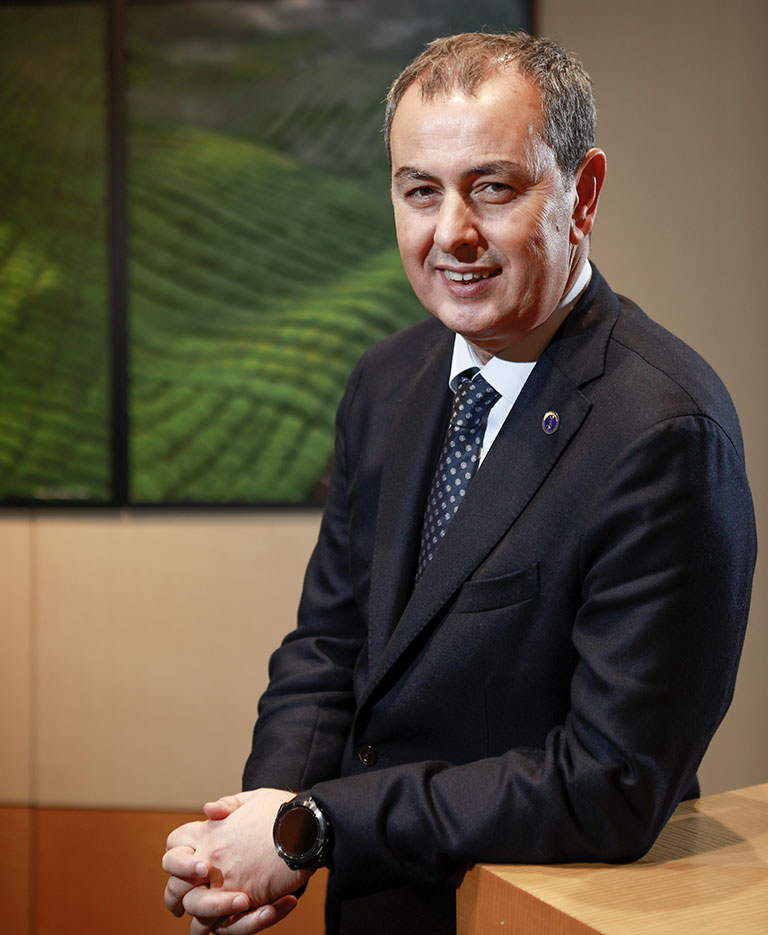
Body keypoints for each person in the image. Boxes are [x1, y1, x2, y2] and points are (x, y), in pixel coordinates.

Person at [162, 31, 757, 935]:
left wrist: (315, 826)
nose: (451, 234)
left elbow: (610, 783)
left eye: (493, 187)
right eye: (420, 191)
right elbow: (330, 646)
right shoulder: (384, 381)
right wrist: (258, 825)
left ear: (584, 193)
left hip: (535, 914)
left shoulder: (665, 430)